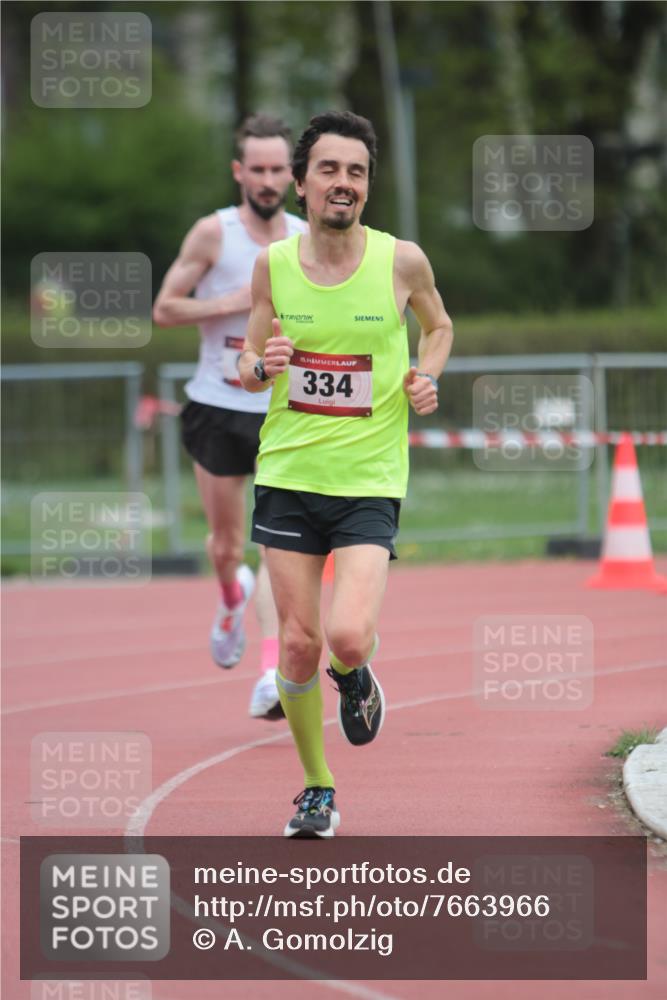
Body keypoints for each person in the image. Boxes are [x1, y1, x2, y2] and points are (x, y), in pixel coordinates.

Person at [239, 110, 454, 836]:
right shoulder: (270, 266)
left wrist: (425, 375)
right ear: (300, 184)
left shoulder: (401, 261)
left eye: (356, 172)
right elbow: (247, 356)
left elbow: (440, 325)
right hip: (289, 475)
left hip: (367, 480)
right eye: (328, 169)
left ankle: (354, 676)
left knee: (347, 636)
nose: (343, 183)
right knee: (298, 642)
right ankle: (316, 786)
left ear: (367, 186)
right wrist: (254, 365)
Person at [153, 113, 307, 720]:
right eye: (259, 169)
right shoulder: (212, 234)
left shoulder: (303, 237)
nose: (268, 180)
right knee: (226, 545)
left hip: (279, 409)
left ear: (292, 176)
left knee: (274, 544)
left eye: (278, 170)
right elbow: (164, 308)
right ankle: (228, 596)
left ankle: (271, 670)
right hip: (217, 405)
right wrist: (231, 301)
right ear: (240, 172)